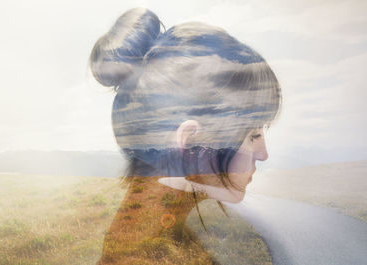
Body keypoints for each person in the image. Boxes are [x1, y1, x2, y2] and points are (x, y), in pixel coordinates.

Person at [89, 7, 281, 265]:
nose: (264, 154)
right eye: (252, 134)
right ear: (190, 141)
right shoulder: (149, 256)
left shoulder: (159, 238)